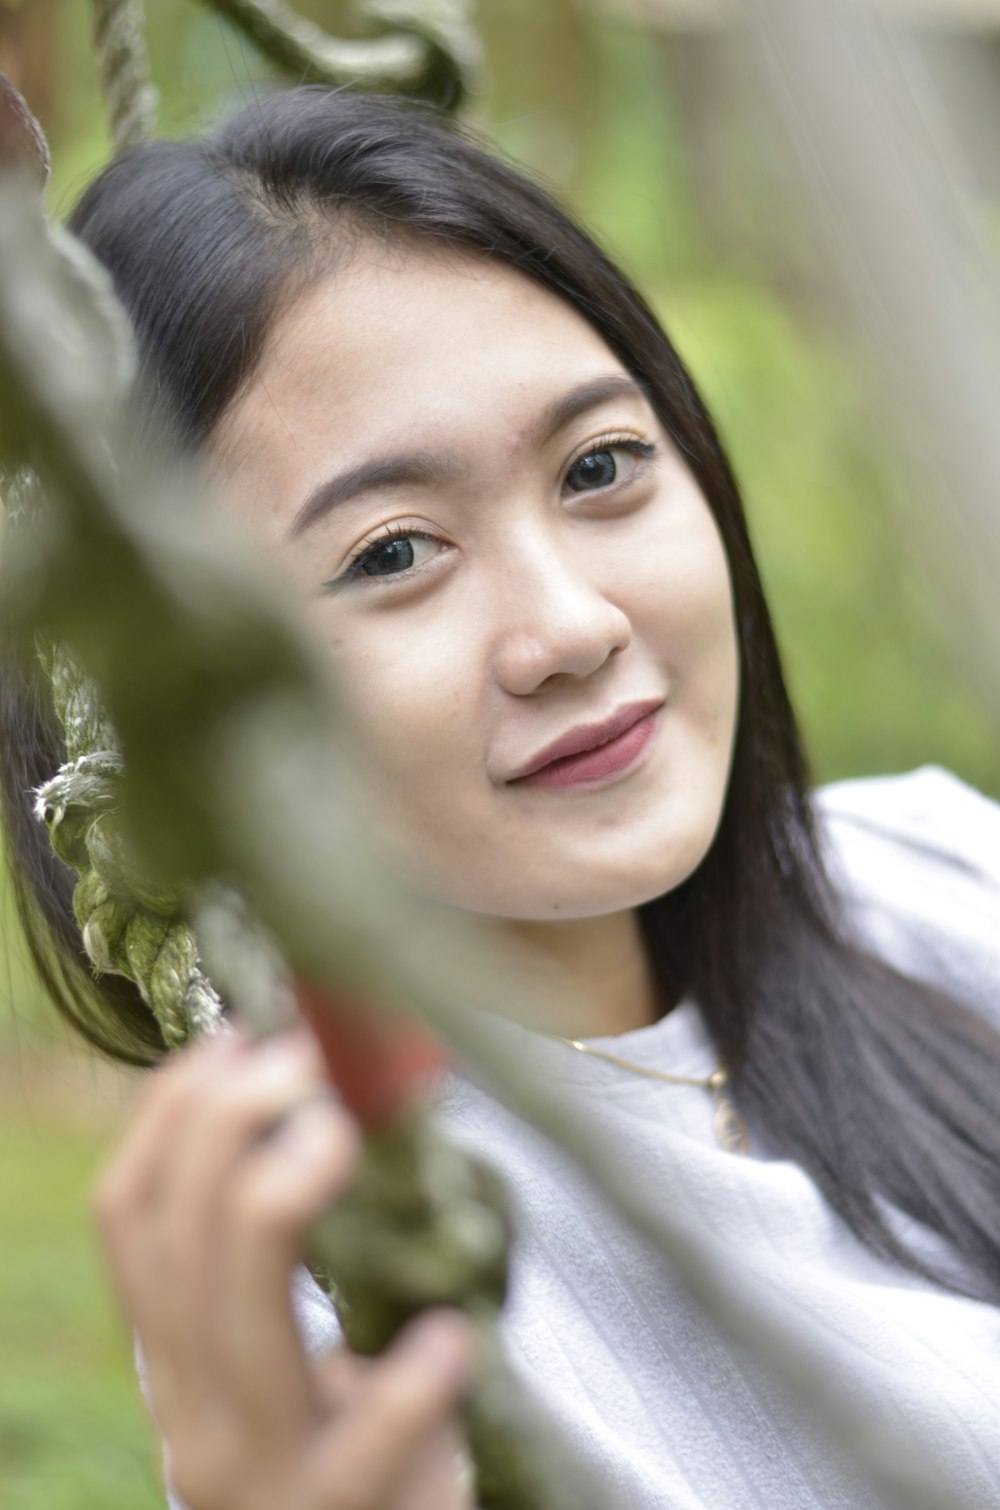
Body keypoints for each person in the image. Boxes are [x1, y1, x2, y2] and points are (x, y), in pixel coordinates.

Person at [2, 87, 1000, 1510]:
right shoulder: (363, 1276)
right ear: (190, 687)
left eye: (601, 467)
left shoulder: (939, 870)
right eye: (394, 551)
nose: (572, 625)